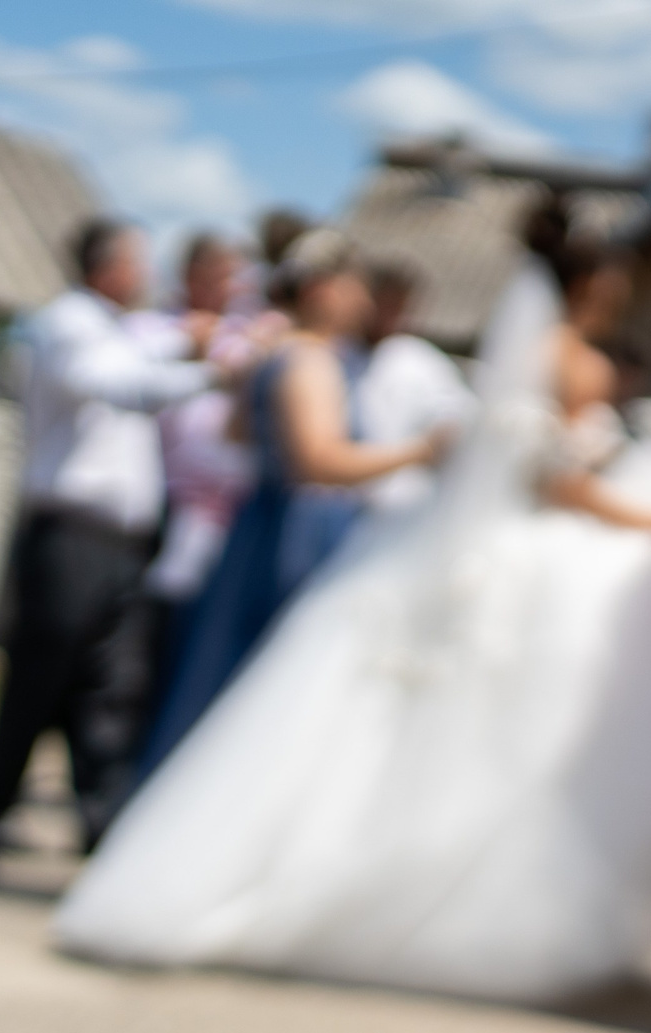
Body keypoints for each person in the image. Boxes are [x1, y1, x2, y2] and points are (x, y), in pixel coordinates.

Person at [52, 199, 651, 1000]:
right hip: (353, 530)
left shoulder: (297, 356)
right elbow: (545, 479)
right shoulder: (532, 360)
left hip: (320, 531)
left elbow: (233, 441)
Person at [0, 217, 217, 872]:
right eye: (139, 262)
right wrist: (217, 369)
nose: (148, 276)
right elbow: (127, 385)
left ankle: (100, 819)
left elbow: (144, 365)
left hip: (122, 539)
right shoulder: (69, 324)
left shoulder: (117, 332)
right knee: (42, 679)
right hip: (70, 532)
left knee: (110, 683)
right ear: (108, 267)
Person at [139, 229, 445, 773]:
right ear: (324, 287)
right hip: (304, 534)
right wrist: (420, 451)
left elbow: (236, 436)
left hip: (259, 526)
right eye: (354, 286)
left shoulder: (268, 353)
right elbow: (317, 462)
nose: (362, 301)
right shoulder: (311, 358)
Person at [137, 235, 261, 665]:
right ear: (192, 276)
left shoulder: (249, 342)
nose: (231, 287)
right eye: (222, 276)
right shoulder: (153, 331)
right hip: (153, 500)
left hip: (222, 513)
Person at [353, 260, 475, 515]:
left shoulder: (416, 357)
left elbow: (457, 414)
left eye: (399, 308)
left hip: (398, 502)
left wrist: (427, 448)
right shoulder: (338, 353)